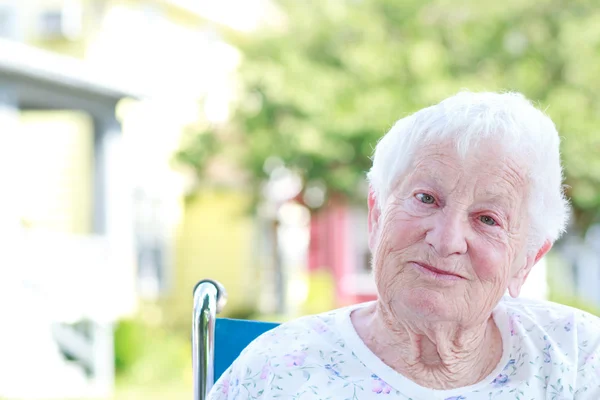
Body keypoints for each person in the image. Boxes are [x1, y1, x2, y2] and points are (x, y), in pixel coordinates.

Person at [208, 91, 600, 399]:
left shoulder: (581, 358)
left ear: (526, 261)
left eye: (487, 219)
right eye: (426, 198)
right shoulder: (275, 370)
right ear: (377, 216)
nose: (446, 241)